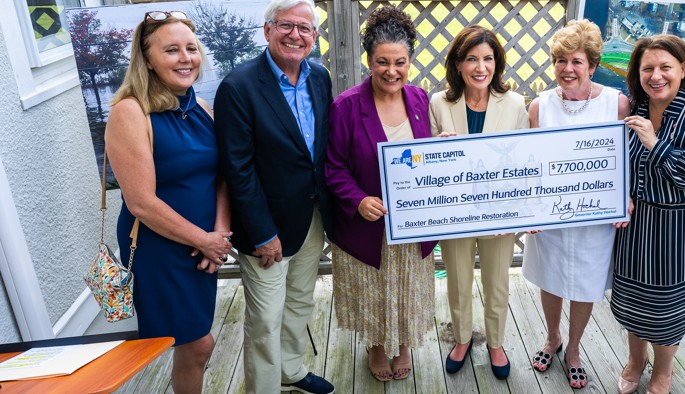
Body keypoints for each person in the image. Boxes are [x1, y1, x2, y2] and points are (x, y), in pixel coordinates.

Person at [104, 11, 232, 394]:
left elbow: (222, 177)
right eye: (171, 50)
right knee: (198, 344)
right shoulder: (129, 112)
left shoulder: (201, 108)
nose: (185, 58)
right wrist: (202, 240)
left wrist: (218, 236)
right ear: (147, 59)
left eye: (191, 49)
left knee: (196, 341)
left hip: (202, 247)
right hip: (161, 251)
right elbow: (141, 203)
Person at [213, 0, 335, 392]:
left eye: (305, 29)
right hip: (266, 228)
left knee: (300, 301)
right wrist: (264, 232)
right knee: (266, 317)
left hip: (312, 217)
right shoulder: (238, 87)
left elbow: (320, 151)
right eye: (286, 26)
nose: (296, 35)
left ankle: (292, 371)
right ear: (267, 31)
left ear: (314, 38)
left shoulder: (320, 77)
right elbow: (238, 170)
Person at [612, 34, 685, 394]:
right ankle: (636, 360)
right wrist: (623, 192)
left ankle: (664, 369)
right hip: (638, 224)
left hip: (682, 227)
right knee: (634, 297)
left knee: (668, 306)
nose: (656, 75)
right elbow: (622, 163)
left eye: (665, 67)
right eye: (647, 68)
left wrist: (656, 143)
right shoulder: (636, 105)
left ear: (683, 68)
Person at [324, 5, 437, 383]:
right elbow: (333, 166)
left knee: (406, 288)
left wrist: (444, 149)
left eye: (400, 62)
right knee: (373, 290)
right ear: (368, 61)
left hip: (412, 224)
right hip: (367, 225)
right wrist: (358, 199)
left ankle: (403, 342)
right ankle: (375, 345)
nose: (392, 71)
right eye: (382, 62)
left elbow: (426, 156)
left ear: (410, 61)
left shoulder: (420, 100)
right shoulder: (346, 106)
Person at [521, 19, 630, 390]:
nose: (568, 69)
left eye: (577, 61)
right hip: (551, 216)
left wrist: (623, 197)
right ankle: (552, 338)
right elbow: (531, 164)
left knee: (586, 283)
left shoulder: (616, 104)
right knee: (551, 276)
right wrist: (531, 207)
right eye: (561, 60)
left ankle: (574, 350)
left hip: (594, 218)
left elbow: (624, 161)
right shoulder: (539, 107)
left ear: (593, 65)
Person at [428, 25, 528, 380]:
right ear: (457, 63)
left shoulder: (515, 104)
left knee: (498, 281)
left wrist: (521, 210)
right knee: (456, 279)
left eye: (487, 58)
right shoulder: (439, 102)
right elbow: (426, 161)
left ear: (497, 64)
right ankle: (462, 338)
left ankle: (496, 342)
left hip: (498, 212)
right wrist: (438, 145)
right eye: (471, 58)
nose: (480, 67)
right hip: (455, 213)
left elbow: (524, 161)